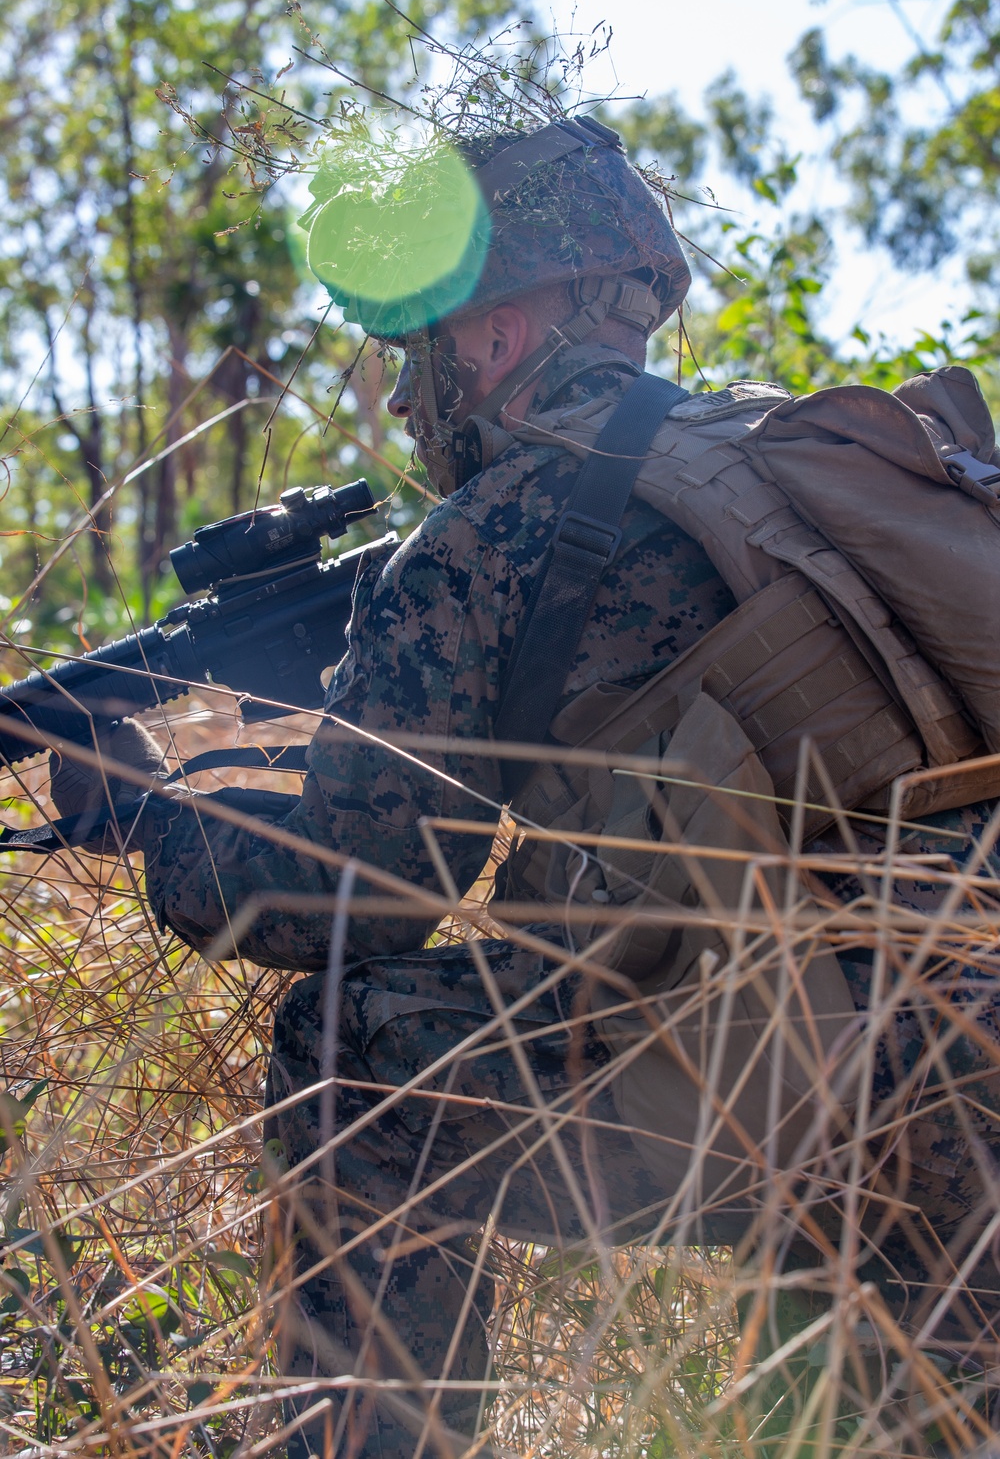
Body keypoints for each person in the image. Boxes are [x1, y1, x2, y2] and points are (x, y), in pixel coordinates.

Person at [50, 114, 1000, 1458]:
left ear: (491, 326)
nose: (400, 398)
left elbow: (352, 899)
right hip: (959, 1051)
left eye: (411, 349)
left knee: (349, 1043)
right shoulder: (799, 455)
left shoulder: (491, 534)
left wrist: (152, 811)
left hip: (809, 1078)